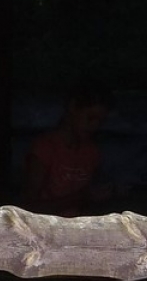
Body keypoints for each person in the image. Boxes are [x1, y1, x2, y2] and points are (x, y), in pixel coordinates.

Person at [22, 88, 111, 217]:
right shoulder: (45, 148)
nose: (94, 126)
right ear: (73, 107)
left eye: (100, 122)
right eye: (90, 118)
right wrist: (82, 196)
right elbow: (29, 208)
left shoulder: (92, 151)